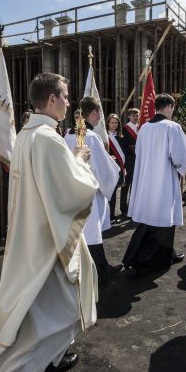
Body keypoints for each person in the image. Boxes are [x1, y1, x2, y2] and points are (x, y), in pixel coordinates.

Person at [0, 73, 99, 372]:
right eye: (66, 96)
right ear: (52, 99)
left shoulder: (27, 135)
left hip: (31, 231)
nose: (69, 102)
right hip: (49, 237)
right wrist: (79, 160)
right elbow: (72, 189)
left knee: (41, 309)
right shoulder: (47, 139)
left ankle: (52, 357)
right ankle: (32, 364)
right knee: (65, 307)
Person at [122, 94, 186, 275]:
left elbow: (139, 151)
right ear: (169, 107)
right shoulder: (172, 127)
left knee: (151, 218)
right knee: (162, 219)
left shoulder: (144, 128)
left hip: (147, 178)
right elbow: (180, 157)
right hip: (163, 180)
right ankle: (153, 259)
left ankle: (165, 253)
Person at [65, 97, 121, 286]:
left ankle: (95, 268)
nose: (100, 120)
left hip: (73, 191)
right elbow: (103, 169)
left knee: (82, 233)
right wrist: (115, 170)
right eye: (99, 115)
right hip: (89, 193)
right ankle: (101, 272)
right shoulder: (91, 136)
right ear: (94, 113)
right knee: (92, 233)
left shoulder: (68, 134)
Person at [106, 112, 126, 223]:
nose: (114, 125)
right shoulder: (104, 137)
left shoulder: (121, 137)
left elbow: (123, 153)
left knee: (115, 192)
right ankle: (109, 216)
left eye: (116, 123)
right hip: (110, 168)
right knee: (110, 193)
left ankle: (112, 216)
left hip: (120, 168)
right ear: (108, 123)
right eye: (112, 122)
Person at [120, 107, 140, 216]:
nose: (136, 117)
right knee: (126, 185)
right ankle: (124, 207)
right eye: (133, 115)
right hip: (129, 160)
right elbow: (123, 145)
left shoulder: (141, 128)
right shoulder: (125, 128)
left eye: (137, 115)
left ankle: (133, 206)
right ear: (128, 116)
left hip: (139, 160)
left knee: (136, 184)